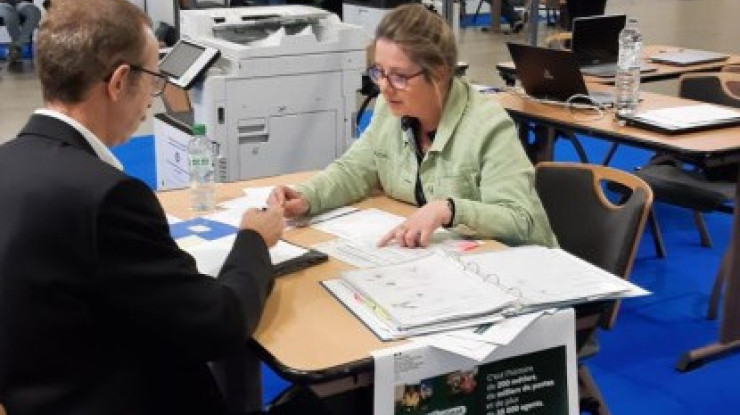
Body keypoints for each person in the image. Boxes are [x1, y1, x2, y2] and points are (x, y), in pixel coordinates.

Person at [0, 0, 284, 414]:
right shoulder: (108, 196)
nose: (153, 98)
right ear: (118, 82)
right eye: (153, 79)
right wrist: (254, 240)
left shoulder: (8, 161)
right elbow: (217, 326)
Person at [269, 4, 557, 249]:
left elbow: (520, 220)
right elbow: (355, 169)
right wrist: (308, 196)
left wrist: (449, 209)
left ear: (440, 74)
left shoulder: (487, 125)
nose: (384, 87)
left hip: (521, 276)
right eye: (379, 72)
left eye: (399, 76)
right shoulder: (389, 110)